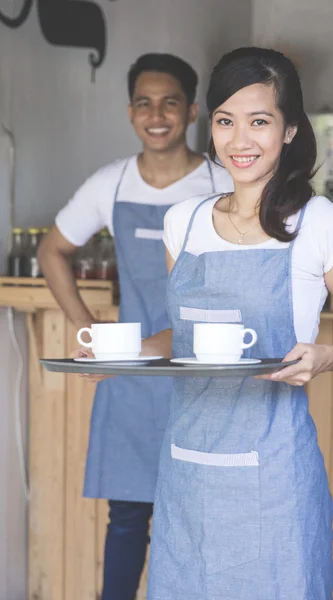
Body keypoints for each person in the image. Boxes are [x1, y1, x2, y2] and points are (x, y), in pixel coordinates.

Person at [133, 47, 333, 599]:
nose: (239, 140)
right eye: (225, 121)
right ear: (210, 126)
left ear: (290, 129)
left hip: (273, 479)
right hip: (187, 472)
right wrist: (125, 356)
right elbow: (187, 338)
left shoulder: (323, 224)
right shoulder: (184, 223)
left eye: (259, 121)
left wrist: (325, 356)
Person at [38, 53, 233, 600]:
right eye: (144, 103)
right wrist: (86, 328)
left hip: (202, 369)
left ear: (192, 111)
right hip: (129, 376)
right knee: (126, 518)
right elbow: (53, 251)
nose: (157, 113)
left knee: (199, 518)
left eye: (170, 101)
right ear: (130, 113)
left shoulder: (223, 180)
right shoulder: (112, 182)